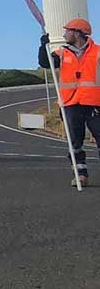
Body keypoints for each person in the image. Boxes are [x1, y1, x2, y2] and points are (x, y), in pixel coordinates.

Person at [39, 18, 100, 187]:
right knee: (75, 142)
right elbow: (45, 63)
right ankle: (80, 174)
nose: (64, 34)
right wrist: (43, 47)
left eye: (67, 31)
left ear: (77, 33)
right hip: (70, 104)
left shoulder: (98, 52)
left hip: (94, 103)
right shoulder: (61, 53)